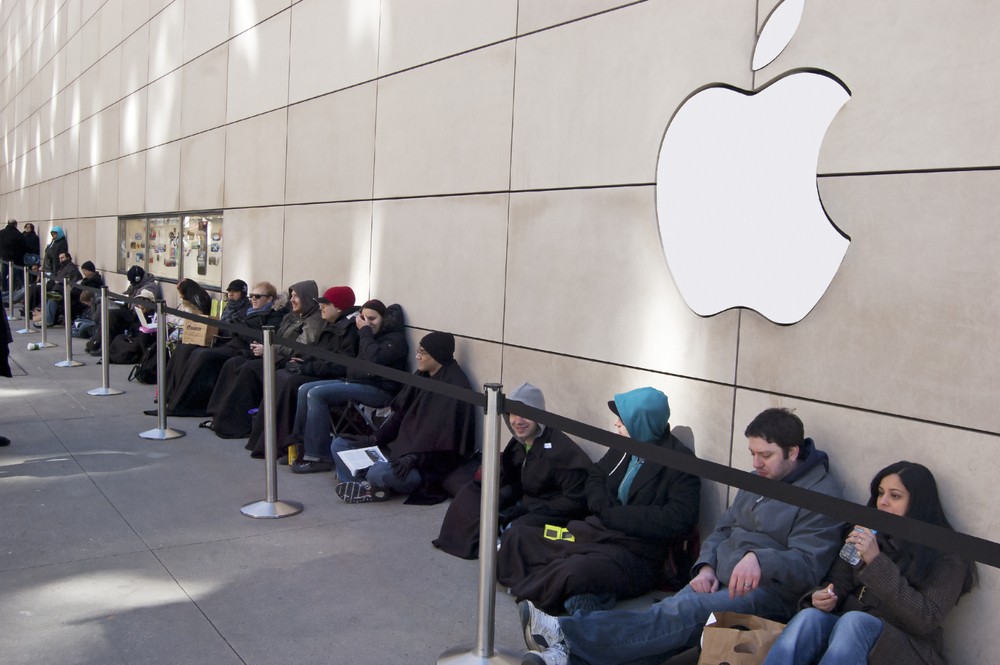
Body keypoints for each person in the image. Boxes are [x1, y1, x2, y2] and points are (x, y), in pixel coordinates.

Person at [518, 407, 845, 665]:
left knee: (675, 616)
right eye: (752, 453)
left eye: (766, 455)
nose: (756, 463)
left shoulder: (821, 495)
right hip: (719, 574)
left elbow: (808, 565)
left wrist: (760, 559)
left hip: (771, 592)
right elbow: (723, 528)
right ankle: (570, 658)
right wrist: (705, 566)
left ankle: (566, 634)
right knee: (668, 627)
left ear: (792, 452)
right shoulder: (759, 477)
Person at [495, 387, 701, 617]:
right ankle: (585, 593)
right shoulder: (626, 446)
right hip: (590, 533)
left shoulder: (680, 463)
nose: (616, 424)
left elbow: (680, 516)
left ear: (641, 422)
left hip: (633, 554)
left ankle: (578, 590)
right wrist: (603, 506)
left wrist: (616, 516)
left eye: (622, 419)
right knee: (520, 535)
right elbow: (596, 476)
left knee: (574, 569)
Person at [762, 461, 977, 665]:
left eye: (895, 496)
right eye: (881, 493)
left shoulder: (948, 553)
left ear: (919, 504)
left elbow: (925, 618)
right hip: (848, 635)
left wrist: (875, 561)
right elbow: (838, 582)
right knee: (809, 617)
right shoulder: (868, 531)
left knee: (855, 622)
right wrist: (822, 597)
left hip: (907, 648)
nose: (882, 502)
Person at [433, 382, 595, 559]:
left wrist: (529, 508)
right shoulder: (519, 442)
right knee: (472, 493)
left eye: (525, 414)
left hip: (552, 512)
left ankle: (501, 544)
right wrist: (504, 495)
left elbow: (575, 502)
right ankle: (472, 542)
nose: (518, 421)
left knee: (518, 528)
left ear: (539, 415)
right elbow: (515, 478)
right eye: (513, 413)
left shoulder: (562, 453)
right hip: (524, 500)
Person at [331, 331, 476, 504]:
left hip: (423, 469)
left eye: (422, 352)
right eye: (418, 351)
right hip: (399, 455)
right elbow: (400, 417)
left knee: (378, 472)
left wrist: (414, 458)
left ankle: (366, 485)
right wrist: (373, 438)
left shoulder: (455, 387)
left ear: (438, 355)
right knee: (339, 445)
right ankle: (367, 488)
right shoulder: (423, 376)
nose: (417, 357)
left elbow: (448, 446)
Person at [289, 299, 408, 473]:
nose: (368, 323)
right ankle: (299, 448)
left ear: (384, 319)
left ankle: (318, 456)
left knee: (316, 394)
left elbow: (373, 359)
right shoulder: (370, 335)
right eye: (364, 318)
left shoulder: (395, 339)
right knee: (304, 388)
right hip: (358, 382)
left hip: (380, 391)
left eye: (373, 319)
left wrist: (365, 331)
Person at [244, 286, 359, 459]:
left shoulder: (348, 330)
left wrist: (306, 366)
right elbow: (318, 352)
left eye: (326, 304)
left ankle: (288, 443)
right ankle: (271, 441)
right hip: (319, 369)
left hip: (333, 376)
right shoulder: (330, 323)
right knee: (281, 374)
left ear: (339, 307)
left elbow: (339, 364)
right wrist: (303, 361)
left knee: (292, 381)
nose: (321, 307)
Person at [205, 280, 324, 438]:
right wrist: (263, 347)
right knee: (233, 363)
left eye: (296, 296)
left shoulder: (314, 320)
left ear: (307, 298)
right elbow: (278, 338)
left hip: (285, 360)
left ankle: (236, 424)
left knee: (249, 369)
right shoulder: (291, 316)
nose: (292, 300)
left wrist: (267, 348)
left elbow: (300, 346)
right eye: (291, 296)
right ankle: (218, 415)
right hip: (274, 355)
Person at [158, 281, 282, 418]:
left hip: (244, 349)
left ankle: (191, 405)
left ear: (269, 299)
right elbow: (233, 329)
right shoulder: (250, 311)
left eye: (257, 296)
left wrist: (238, 329)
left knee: (203, 355)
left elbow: (259, 336)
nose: (253, 298)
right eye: (252, 295)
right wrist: (238, 328)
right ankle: (173, 397)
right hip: (230, 343)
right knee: (188, 350)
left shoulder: (273, 315)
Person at [0, 219, 27, 292]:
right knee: (12, 278)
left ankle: (4, 291)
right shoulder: (18, 234)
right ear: (15, 225)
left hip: (4, 258)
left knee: (3, 276)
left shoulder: (1, 233)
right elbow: (23, 247)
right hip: (15, 260)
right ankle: (9, 292)